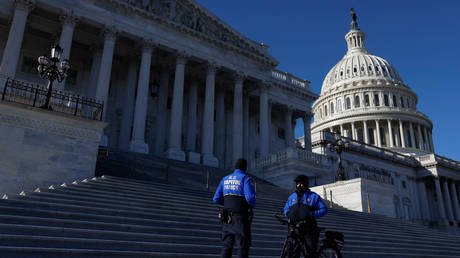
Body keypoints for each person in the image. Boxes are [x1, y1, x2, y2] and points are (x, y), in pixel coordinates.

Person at [213, 158, 256, 258]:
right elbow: (250, 198)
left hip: (226, 219)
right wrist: (251, 205)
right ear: (245, 167)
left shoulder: (225, 179)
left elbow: (216, 199)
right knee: (242, 247)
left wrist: (228, 204)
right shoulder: (245, 178)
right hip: (240, 218)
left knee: (226, 247)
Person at [283, 175, 328, 258]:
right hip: (294, 228)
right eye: (297, 184)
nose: (299, 186)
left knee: (310, 252)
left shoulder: (313, 196)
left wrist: (312, 214)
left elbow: (324, 209)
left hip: (308, 228)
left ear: (305, 184)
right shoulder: (292, 197)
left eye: (301, 184)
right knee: (292, 253)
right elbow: (286, 209)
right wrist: (288, 214)